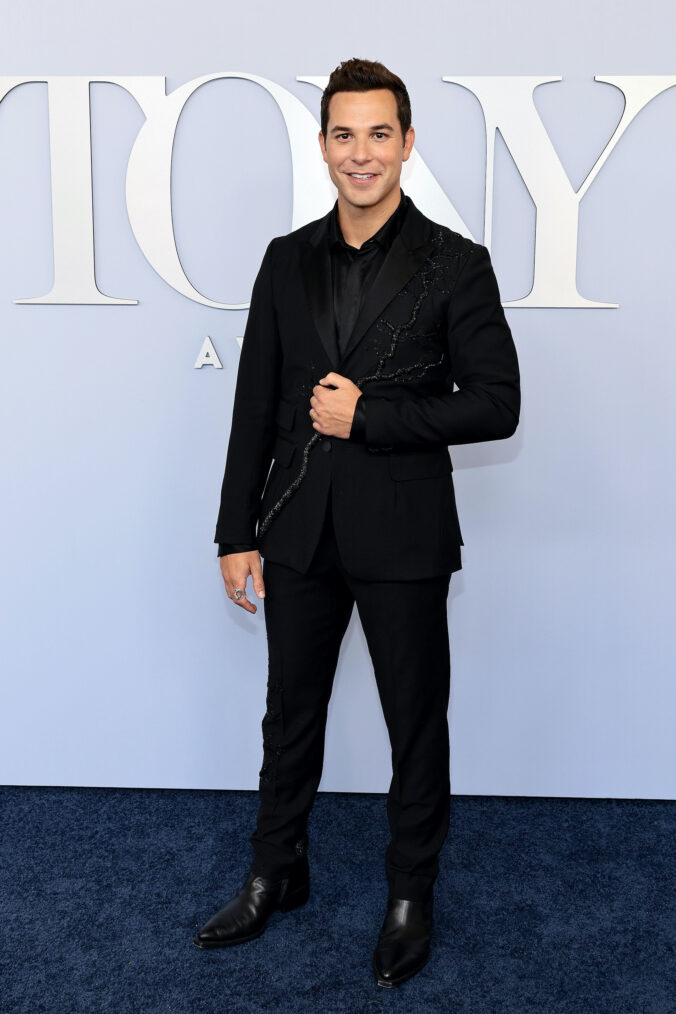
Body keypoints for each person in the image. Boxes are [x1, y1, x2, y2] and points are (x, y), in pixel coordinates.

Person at [193, 57, 520, 988]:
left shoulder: (457, 264)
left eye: (381, 134)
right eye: (345, 134)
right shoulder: (284, 258)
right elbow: (255, 403)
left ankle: (410, 894)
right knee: (289, 716)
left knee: (415, 721)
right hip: (294, 527)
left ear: (408, 145)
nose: (361, 153)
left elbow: (497, 403)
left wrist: (367, 414)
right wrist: (233, 531)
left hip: (404, 535)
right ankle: (274, 871)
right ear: (324, 143)